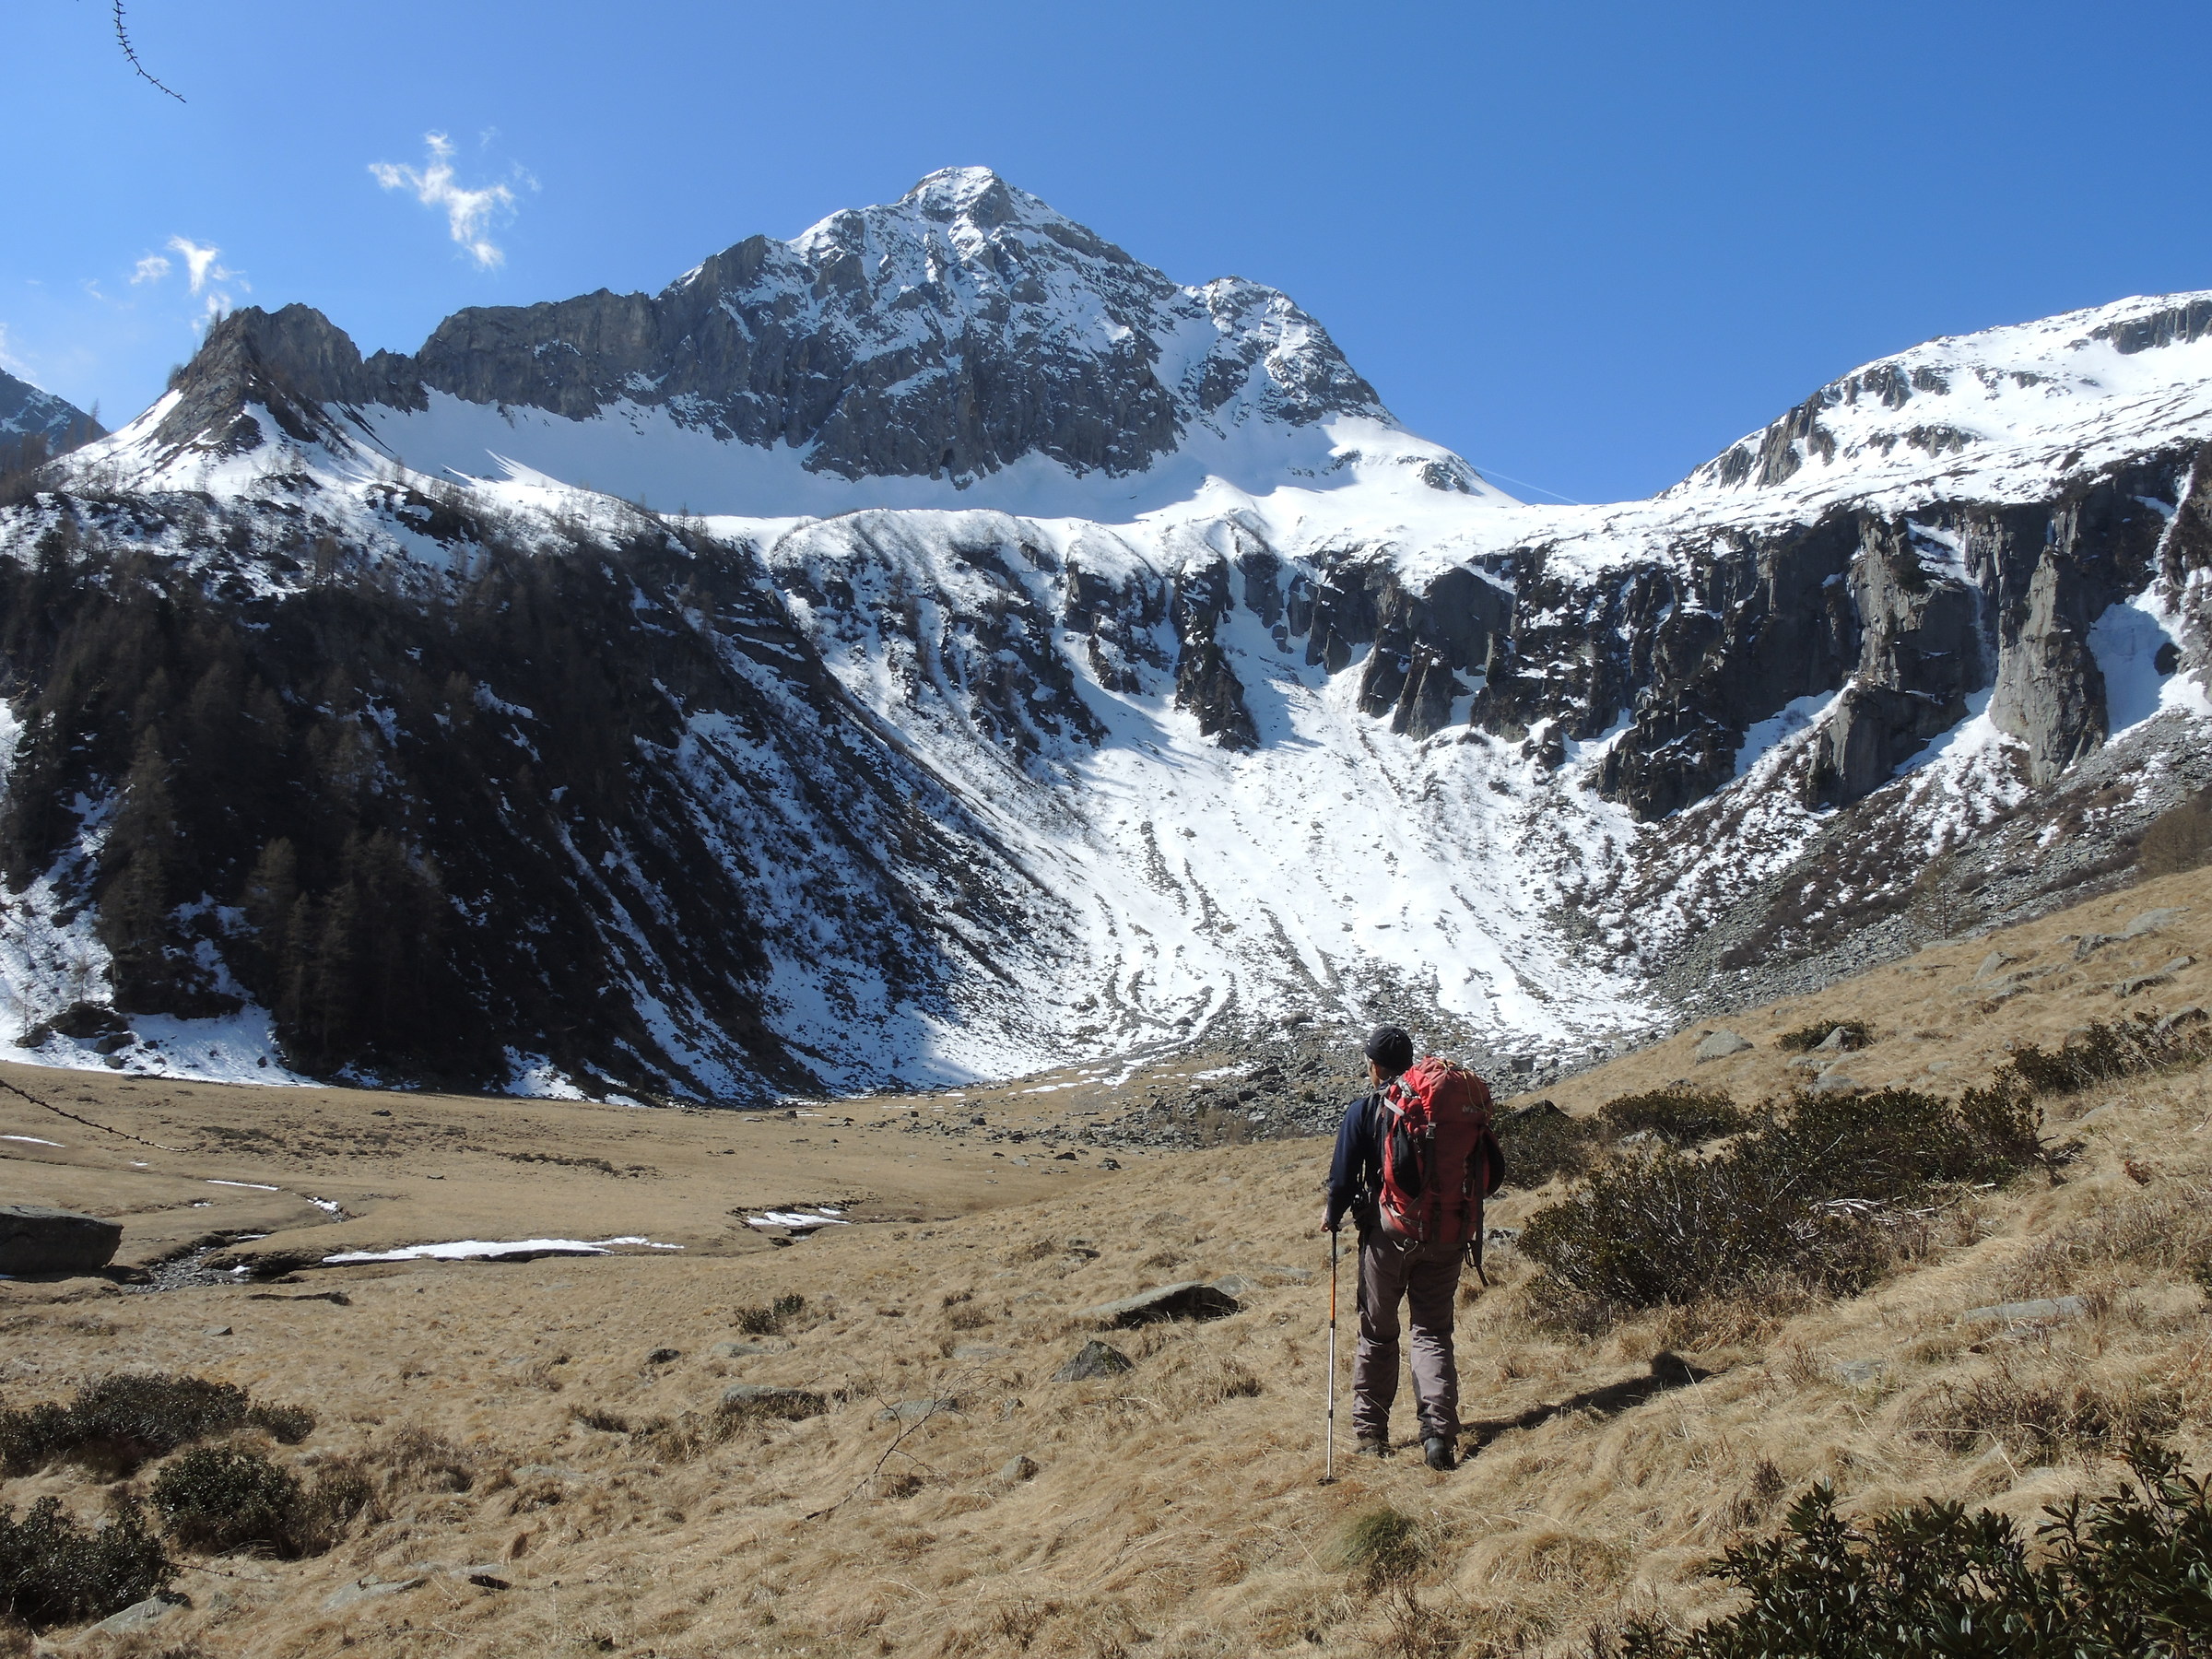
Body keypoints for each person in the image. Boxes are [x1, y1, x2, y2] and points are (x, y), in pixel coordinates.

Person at [1321, 1023, 1496, 1472]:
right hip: (1447, 1233)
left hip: (1390, 1235)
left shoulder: (1365, 1110)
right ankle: (1438, 1434)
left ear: (1373, 1065)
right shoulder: (1434, 1106)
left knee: (1378, 1332)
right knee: (1432, 1332)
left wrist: (1332, 1214)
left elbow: (1343, 1177)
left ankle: (1371, 1434)